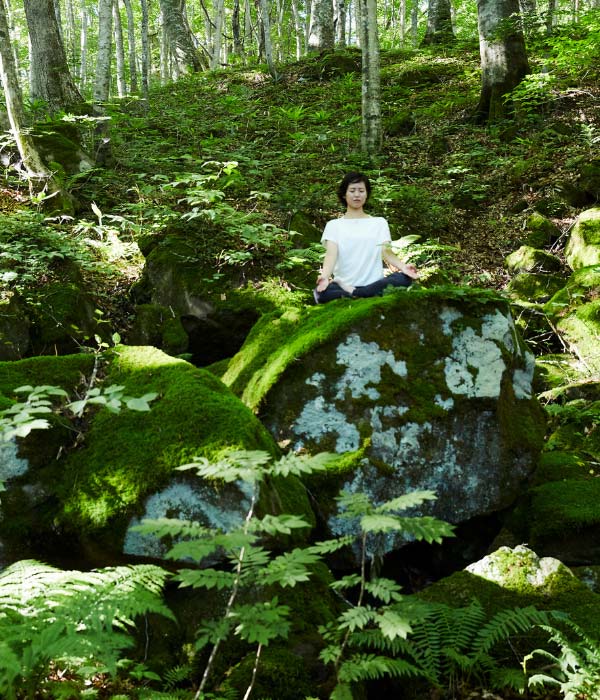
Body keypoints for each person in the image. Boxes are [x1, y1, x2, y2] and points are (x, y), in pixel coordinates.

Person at [313, 172, 419, 304]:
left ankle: (356, 294)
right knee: (320, 293)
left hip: (375, 283)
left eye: (361, 191)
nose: (357, 195)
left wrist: (404, 268)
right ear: (344, 194)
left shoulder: (379, 222)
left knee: (404, 279)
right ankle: (363, 294)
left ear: (367, 194)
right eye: (352, 190)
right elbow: (331, 255)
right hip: (342, 286)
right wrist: (324, 277)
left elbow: (386, 252)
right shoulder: (334, 225)